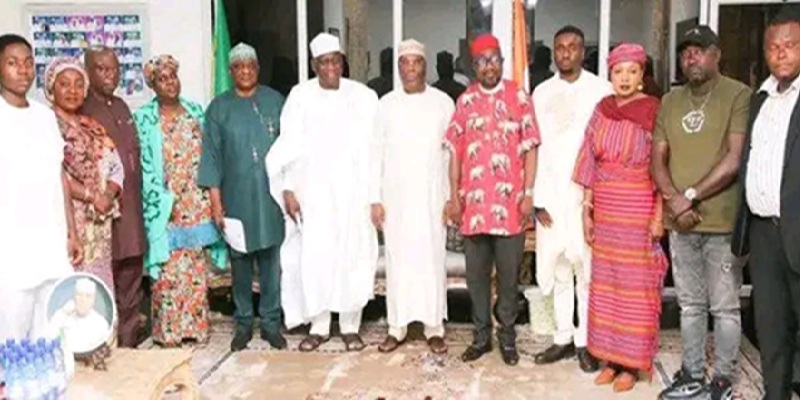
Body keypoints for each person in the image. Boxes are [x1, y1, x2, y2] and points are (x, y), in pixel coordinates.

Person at [652, 26, 750, 400]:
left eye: (700, 50)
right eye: (686, 52)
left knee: (724, 307)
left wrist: (688, 197)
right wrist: (673, 199)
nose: (692, 57)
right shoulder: (670, 101)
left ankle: (722, 380)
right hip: (681, 224)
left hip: (720, 223)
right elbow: (657, 159)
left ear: (717, 55)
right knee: (690, 304)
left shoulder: (737, 94)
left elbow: (734, 160)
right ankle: (691, 373)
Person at [266, 33, 379, 353]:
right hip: (313, 194)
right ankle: (319, 325)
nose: (330, 67)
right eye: (324, 62)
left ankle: (350, 326)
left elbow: (374, 150)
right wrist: (287, 189)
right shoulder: (300, 97)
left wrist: (374, 196)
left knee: (352, 257)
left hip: (353, 195)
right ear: (315, 65)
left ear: (342, 62)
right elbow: (287, 145)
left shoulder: (364, 96)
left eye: (335, 60)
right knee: (315, 258)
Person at [572, 43, 668, 392]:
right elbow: (588, 160)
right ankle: (610, 359)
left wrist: (660, 215)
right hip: (607, 212)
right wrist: (587, 210)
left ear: (642, 76)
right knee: (608, 285)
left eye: (632, 71)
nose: (624, 78)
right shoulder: (602, 109)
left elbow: (662, 167)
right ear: (610, 75)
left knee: (635, 289)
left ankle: (631, 364)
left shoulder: (655, 111)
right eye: (618, 72)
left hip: (639, 208)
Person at [444, 33, 539, 366]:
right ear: (474, 66)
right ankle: (481, 336)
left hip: (510, 207)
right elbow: (455, 150)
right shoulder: (465, 101)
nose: (489, 66)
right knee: (476, 278)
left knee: (509, 277)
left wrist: (528, 193)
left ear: (501, 60)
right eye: (482, 61)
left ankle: (507, 337)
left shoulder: (518, 96)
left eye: (494, 59)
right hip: (473, 210)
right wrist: (453, 196)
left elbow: (530, 148)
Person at [531, 25, 612, 372]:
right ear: (554, 52)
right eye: (560, 47)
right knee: (559, 269)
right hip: (550, 194)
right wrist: (535, 197)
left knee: (586, 270)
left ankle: (585, 341)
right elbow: (534, 147)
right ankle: (562, 338)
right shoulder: (541, 91)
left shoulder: (602, 90)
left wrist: (598, 200)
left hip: (585, 197)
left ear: (583, 52)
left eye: (573, 47)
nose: (566, 53)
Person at [134, 55, 228, 347]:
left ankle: (195, 327)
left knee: (195, 269)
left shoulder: (196, 112)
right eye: (162, 79)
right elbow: (141, 165)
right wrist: (157, 201)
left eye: (173, 76)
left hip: (195, 201)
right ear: (152, 85)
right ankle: (170, 331)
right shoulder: (145, 119)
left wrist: (214, 198)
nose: (170, 83)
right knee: (167, 271)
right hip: (164, 205)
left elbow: (212, 156)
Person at [198, 43, 286, 352]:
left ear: (258, 69)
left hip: (271, 198)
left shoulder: (276, 101)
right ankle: (244, 324)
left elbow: (291, 152)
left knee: (272, 263)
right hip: (235, 198)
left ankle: (272, 324)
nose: (245, 71)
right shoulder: (219, 108)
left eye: (250, 65)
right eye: (238, 67)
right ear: (231, 71)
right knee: (241, 265)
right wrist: (216, 203)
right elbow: (212, 158)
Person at [732, 9, 800, 400]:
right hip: (764, 235)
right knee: (770, 328)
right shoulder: (761, 99)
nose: (781, 54)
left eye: (790, 46)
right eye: (773, 47)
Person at [372, 39, 453, 355]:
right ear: (398, 68)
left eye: (415, 62)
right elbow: (374, 155)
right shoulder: (385, 105)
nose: (410, 69)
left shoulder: (443, 103)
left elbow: (451, 155)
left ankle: (434, 327)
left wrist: (450, 198)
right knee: (398, 260)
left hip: (433, 197)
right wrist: (375, 199)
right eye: (404, 63)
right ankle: (397, 326)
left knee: (433, 259)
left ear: (425, 65)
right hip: (396, 199)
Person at [0, 34, 81, 343]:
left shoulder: (44, 117)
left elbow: (58, 174)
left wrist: (71, 231)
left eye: (28, 62)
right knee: (12, 334)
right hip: (10, 248)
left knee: (54, 328)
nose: (22, 70)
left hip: (51, 242)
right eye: (12, 63)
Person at [81, 46, 146, 348]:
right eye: (102, 69)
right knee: (101, 281)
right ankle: (102, 345)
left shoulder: (121, 105)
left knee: (132, 276)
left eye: (115, 69)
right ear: (89, 71)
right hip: (101, 212)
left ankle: (128, 342)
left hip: (130, 208)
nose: (110, 76)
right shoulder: (82, 109)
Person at [49, 57, 124, 293]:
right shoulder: (46, 124)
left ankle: (103, 330)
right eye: (64, 84)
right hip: (68, 219)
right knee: (71, 290)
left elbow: (116, 166)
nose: (72, 90)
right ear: (51, 88)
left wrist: (109, 195)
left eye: (78, 84)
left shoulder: (92, 126)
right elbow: (52, 174)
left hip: (99, 222)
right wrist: (93, 196)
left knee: (99, 288)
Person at [49, 278, 111, 354]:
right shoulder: (63, 316)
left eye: (88, 296)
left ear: (93, 300)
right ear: (74, 297)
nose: (83, 300)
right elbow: (51, 335)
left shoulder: (101, 324)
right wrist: (62, 313)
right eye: (79, 295)